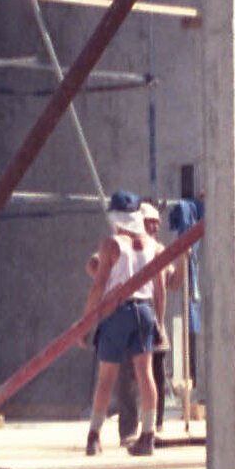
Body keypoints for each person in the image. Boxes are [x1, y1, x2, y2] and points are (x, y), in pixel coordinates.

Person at [83, 192, 165, 455]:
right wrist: (160, 324)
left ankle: (94, 436)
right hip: (144, 311)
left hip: (116, 312)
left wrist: (87, 322)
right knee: (145, 375)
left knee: (107, 376)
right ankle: (148, 436)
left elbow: (98, 286)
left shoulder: (111, 244)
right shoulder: (152, 245)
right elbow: (160, 290)